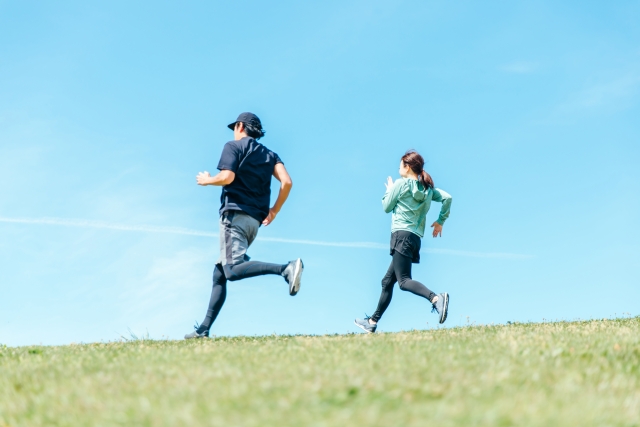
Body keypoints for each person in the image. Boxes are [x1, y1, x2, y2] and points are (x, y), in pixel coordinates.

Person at [185, 112, 304, 339]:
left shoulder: (234, 146)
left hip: (235, 217)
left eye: (235, 127)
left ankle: (285, 269)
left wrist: (207, 179)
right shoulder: (270, 155)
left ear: (240, 126)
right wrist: (275, 210)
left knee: (231, 270)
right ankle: (204, 329)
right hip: (254, 224)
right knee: (220, 271)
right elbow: (287, 182)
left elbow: (227, 177)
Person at [354, 150, 452, 333]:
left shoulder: (400, 184)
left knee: (404, 281)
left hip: (401, 236)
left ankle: (436, 299)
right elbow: (447, 198)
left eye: (400, 165)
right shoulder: (428, 190)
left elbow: (386, 206)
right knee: (387, 281)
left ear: (407, 167)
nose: (399, 168)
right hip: (415, 239)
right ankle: (372, 322)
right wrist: (440, 222)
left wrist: (389, 190)